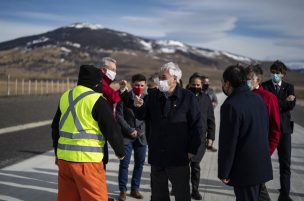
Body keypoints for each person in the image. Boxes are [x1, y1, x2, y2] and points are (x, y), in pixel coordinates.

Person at [51, 65, 125, 201]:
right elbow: (112, 130)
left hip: (64, 161)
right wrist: (120, 151)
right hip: (87, 162)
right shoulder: (97, 100)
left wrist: (57, 152)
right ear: (97, 83)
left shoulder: (66, 96)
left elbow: (55, 127)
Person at [133, 62, 202, 201]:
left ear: (175, 78)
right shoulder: (153, 96)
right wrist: (138, 107)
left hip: (179, 157)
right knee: (158, 196)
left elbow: (197, 126)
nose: (160, 80)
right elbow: (142, 115)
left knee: (182, 195)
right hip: (158, 157)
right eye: (159, 77)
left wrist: (192, 150)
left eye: (163, 77)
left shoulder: (187, 97)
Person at [218, 64, 273, 201]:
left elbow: (229, 142)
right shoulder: (258, 99)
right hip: (261, 166)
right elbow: (265, 130)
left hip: (245, 171)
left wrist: (224, 171)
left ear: (228, 83)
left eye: (223, 82)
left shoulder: (230, 105)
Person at [246, 64, 281, 201]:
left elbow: (275, 129)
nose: (245, 81)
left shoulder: (268, 98)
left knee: (258, 189)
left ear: (258, 80)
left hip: (259, 153)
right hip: (242, 153)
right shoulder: (242, 95)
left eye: (249, 79)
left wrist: (267, 151)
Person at [262, 60, 296, 201]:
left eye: (278, 73)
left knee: (285, 164)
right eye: (273, 72)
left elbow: (291, 105)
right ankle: (259, 189)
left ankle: (284, 195)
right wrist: (283, 102)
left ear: (283, 74)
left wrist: (275, 102)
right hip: (269, 130)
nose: (275, 74)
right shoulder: (265, 86)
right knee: (262, 159)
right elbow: (268, 105)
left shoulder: (289, 87)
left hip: (285, 130)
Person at [116, 74, 148, 201]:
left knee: (139, 163)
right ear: (131, 84)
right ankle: (123, 190)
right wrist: (130, 130)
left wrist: (139, 131)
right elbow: (119, 116)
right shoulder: (124, 97)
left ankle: (135, 189)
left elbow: (147, 116)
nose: (139, 87)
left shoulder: (147, 98)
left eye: (141, 85)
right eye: (136, 85)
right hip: (126, 136)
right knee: (124, 163)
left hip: (142, 136)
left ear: (145, 85)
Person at [187, 73, 215, 200]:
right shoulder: (184, 96)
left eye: (198, 85)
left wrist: (211, 137)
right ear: (189, 84)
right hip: (184, 138)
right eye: (194, 84)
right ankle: (179, 187)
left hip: (200, 138)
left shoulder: (206, 98)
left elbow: (211, 119)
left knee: (195, 165)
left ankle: (195, 190)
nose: (196, 86)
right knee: (182, 166)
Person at [201, 75, 218, 152]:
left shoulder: (211, 91)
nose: (206, 84)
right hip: (202, 114)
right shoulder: (199, 91)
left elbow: (215, 100)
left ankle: (209, 144)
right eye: (205, 82)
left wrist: (213, 105)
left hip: (210, 113)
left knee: (210, 128)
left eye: (207, 82)